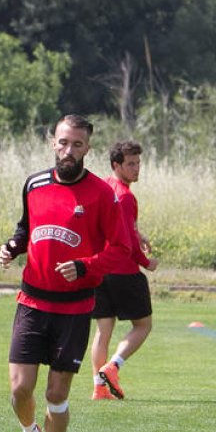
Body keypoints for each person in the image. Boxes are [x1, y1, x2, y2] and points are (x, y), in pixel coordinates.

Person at [0, 115, 130, 432]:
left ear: (88, 148)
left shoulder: (103, 195)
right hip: (31, 302)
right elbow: (26, 229)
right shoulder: (34, 184)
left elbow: (120, 250)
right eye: (62, 142)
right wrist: (12, 247)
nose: (68, 150)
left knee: (56, 394)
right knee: (19, 389)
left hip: (73, 308)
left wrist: (85, 266)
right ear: (52, 142)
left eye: (76, 145)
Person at [91, 140, 158, 400]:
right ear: (116, 165)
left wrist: (137, 232)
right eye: (130, 164)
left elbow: (120, 227)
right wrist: (146, 262)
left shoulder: (105, 186)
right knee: (143, 326)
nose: (136, 168)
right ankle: (114, 366)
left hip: (100, 268)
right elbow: (127, 242)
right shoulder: (127, 196)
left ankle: (98, 387)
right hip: (124, 270)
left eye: (138, 163)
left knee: (103, 330)